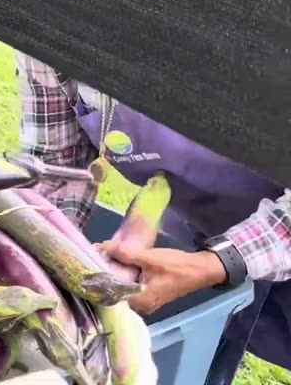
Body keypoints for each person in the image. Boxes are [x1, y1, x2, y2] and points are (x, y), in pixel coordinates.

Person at [16, 52, 291, 385]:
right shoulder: (46, 16)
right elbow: (57, 164)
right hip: (195, 229)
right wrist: (49, 263)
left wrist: (214, 264)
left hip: (271, 234)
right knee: (210, 345)